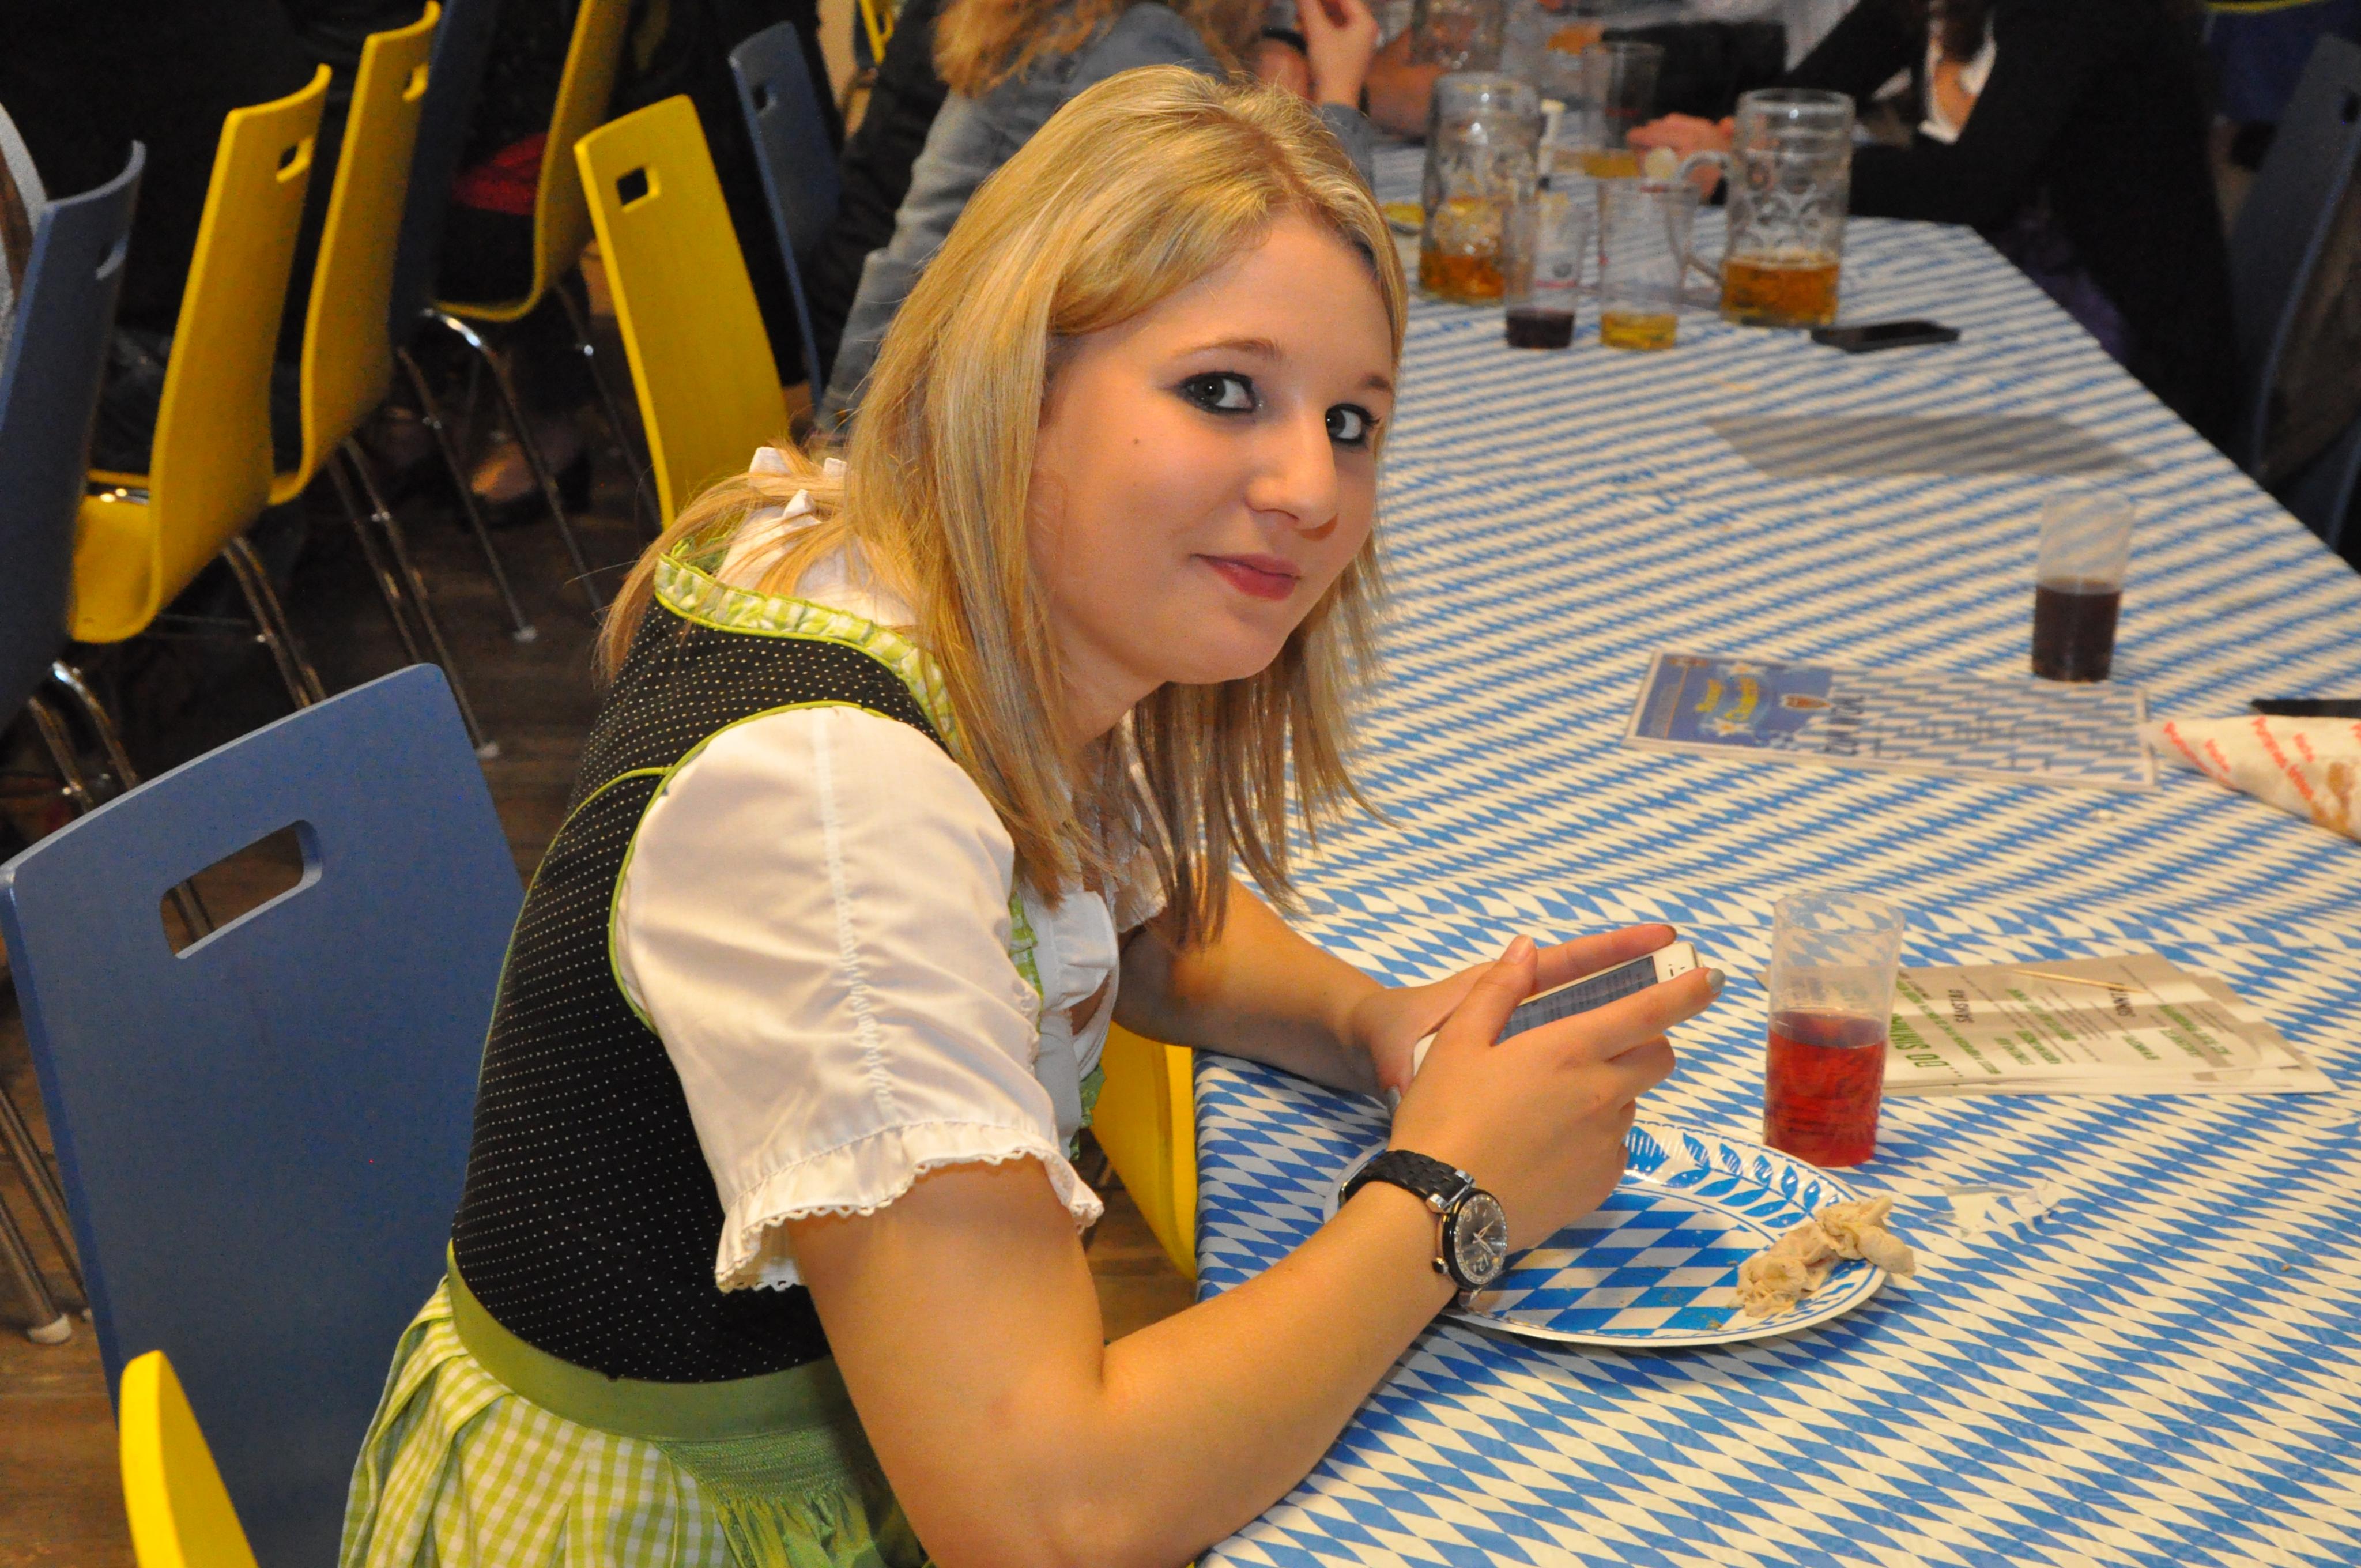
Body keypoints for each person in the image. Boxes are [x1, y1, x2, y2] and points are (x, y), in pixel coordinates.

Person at [338, 67, 1715, 1567]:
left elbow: (1107, 908)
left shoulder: (912, 572)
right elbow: (1050, 1515)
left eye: (1352, 421)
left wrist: (1369, 1025)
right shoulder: (833, 808)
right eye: (1223, 392)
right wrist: (1444, 1199)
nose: (1312, 487)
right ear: (1017, 382)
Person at [1630, 0, 2239, 451]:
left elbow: (1969, 186)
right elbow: (1807, 98)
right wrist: (1728, 140)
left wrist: (1749, 170)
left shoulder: (2079, 12)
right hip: (2003, 293)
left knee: (1817, 416)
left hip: (2125, 351)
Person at [817, 0, 1385, 425]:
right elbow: (1312, 285)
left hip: (883, 394)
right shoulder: (1138, 45)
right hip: (933, 436)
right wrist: (1340, 91)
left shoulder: (1077, 18)